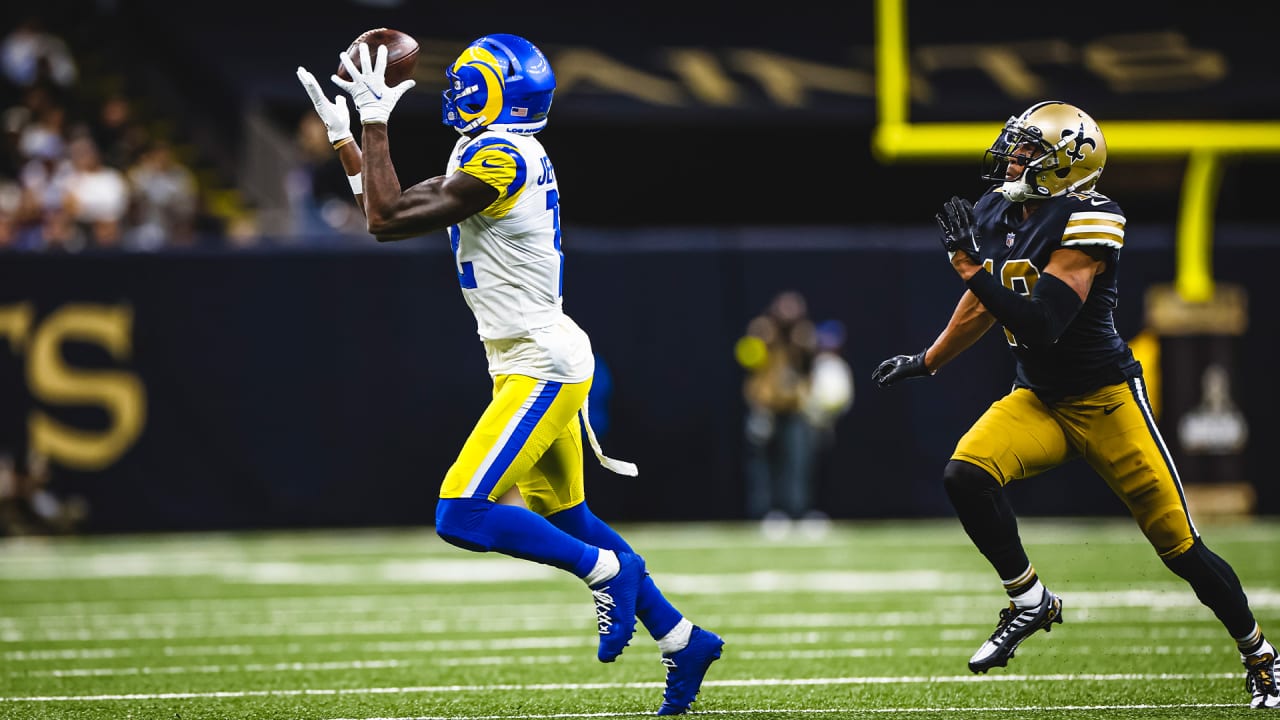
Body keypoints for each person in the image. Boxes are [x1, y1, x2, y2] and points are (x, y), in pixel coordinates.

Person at [295, 34, 723, 715]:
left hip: (539, 364)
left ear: (489, 90)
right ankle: (681, 638)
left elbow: (385, 216)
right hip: (529, 357)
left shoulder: (498, 156)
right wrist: (351, 142)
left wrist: (375, 124)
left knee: (460, 511)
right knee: (570, 515)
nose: (456, 90)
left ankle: (607, 572)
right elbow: (391, 213)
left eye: (468, 80)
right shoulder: (497, 150)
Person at [871, 100, 1278, 709]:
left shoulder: (1092, 215)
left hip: (1106, 402)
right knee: (966, 474)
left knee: (1182, 549)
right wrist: (928, 361)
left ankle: (1262, 659)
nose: (1013, 157)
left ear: (1067, 165)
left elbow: (1043, 324)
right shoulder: (999, 209)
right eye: (1015, 145)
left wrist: (967, 267)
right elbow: (985, 303)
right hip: (1039, 397)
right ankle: (1030, 601)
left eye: (1030, 149)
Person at [736, 290, 821, 535]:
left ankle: (797, 511)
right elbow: (747, 360)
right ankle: (767, 512)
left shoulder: (803, 334)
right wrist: (762, 341)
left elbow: (809, 368)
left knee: (797, 462)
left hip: (795, 407)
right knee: (764, 464)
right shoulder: (762, 330)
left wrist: (802, 345)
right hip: (766, 407)